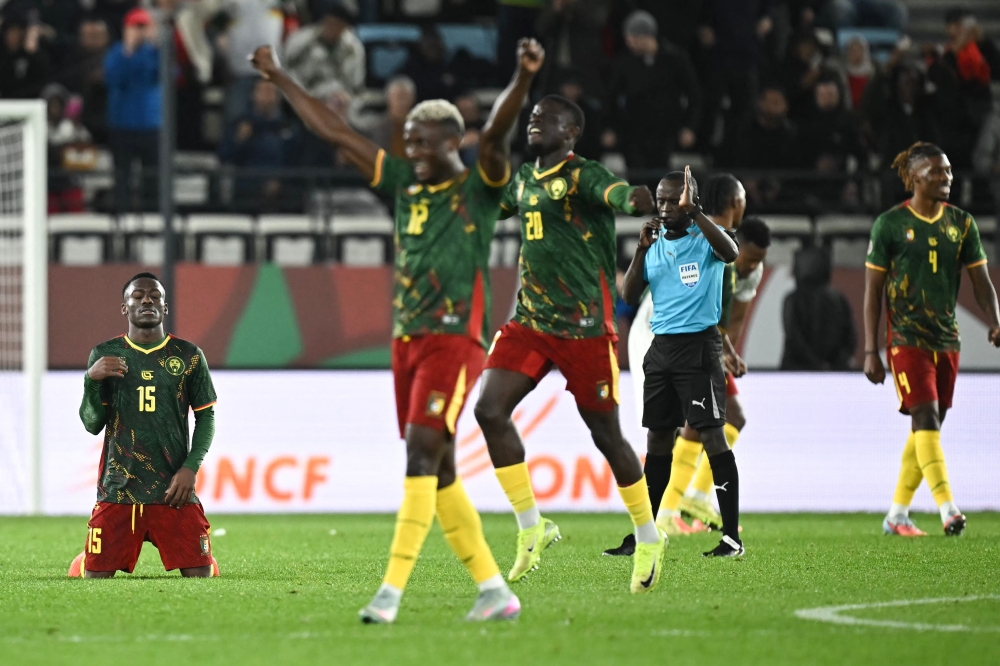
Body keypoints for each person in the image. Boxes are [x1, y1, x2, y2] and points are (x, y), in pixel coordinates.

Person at [251, 38, 544, 624]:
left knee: (419, 453)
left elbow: (496, 135)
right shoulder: (405, 184)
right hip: (406, 340)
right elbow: (337, 133)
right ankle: (493, 591)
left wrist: (521, 76)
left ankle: (390, 592)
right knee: (439, 470)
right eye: (408, 143)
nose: (411, 152)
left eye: (422, 144)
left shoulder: (479, 188)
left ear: (451, 142)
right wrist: (282, 78)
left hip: (454, 341)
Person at [473, 95, 666, 594]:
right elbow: (489, 210)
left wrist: (640, 200)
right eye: (532, 117)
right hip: (531, 323)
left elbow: (622, 196)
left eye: (547, 118)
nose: (535, 123)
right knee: (488, 410)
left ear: (573, 131)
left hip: (584, 328)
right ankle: (532, 526)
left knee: (607, 437)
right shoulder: (522, 179)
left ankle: (649, 535)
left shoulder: (585, 175)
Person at [605, 174, 757, 552]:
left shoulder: (706, 239)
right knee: (658, 441)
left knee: (712, 437)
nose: (665, 208)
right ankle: (644, 532)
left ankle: (731, 536)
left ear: (691, 203)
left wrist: (698, 214)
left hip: (698, 349)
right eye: (661, 200)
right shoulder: (654, 244)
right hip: (660, 350)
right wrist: (640, 250)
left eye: (674, 201)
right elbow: (628, 294)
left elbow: (731, 253)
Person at [864, 142, 1000, 537]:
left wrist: (995, 320)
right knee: (925, 416)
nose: (947, 179)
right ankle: (948, 509)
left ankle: (897, 514)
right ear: (915, 178)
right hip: (905, 337)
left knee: (929, 425)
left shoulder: (962, 223)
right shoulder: (889, 224)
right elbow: (873, 291)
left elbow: (982, 283)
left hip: (946, 339)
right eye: (938, 173)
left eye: (949, 172)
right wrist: (872, 351)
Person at [67, 273, 220, 579]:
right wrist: (91, 381)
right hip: (119, 489)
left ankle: (199, 554)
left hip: (173, 490)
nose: (147, 300)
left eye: (155, 296)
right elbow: (91, 423)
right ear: (125, 307)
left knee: (201, 574)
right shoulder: (105, 355)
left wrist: (190, 468)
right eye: (137, 296)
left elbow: (206, 417)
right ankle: (87, 558)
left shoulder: (188, 356)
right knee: (95, 577)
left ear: (165, 307)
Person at [605, 9, 701, 170]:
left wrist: (690, 127)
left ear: (648, 36)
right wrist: (612, 128)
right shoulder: (625, 62)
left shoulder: (675, 59)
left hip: (666, 131)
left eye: (634, 38)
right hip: (634, 133)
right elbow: (611, 96)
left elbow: (694, 94)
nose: (630, 42)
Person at [104, 8, 160, 213]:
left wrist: (156, 45)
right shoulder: (116, 53)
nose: (139, 31)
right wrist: (128, 50)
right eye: (135, 27)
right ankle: (122, 222)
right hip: (122, 125)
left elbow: (169, 75)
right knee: (121, 179)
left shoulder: (156, 53)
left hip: (151, 125)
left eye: (143, 27)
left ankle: (154, 224)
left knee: (153, 180)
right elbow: (113, 79)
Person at [781, 247, 857, 370]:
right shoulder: (839, 298)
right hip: (834, 370)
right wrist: (838, 363)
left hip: (797, 371)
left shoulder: (792, 299)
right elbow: (851, 338)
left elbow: (794, 338)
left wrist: (816, 364)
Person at [283, 3, 365, 99]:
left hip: (338, 100)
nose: (332, 28)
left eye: (337, 25)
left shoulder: (353, 48)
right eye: (330, 23)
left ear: (345, 27)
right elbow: (286, 70)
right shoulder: (299, 40)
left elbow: (356, 85)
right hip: (302, 96)